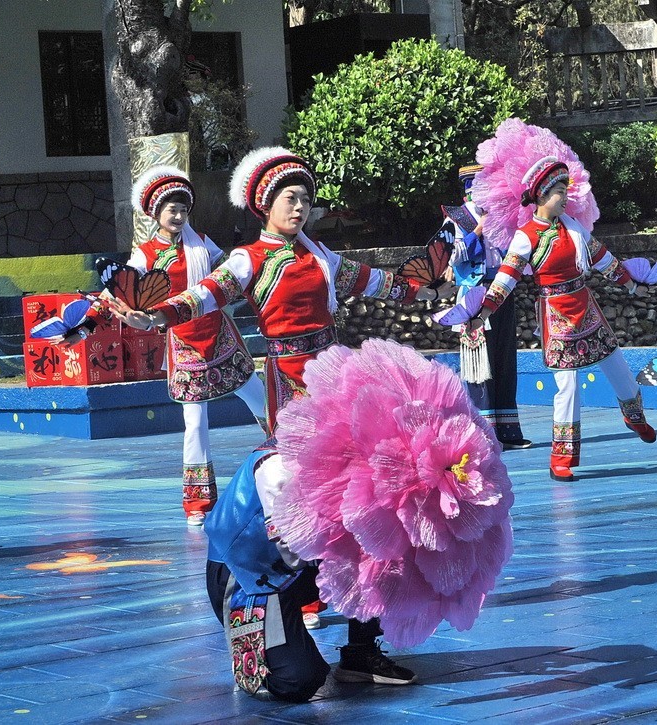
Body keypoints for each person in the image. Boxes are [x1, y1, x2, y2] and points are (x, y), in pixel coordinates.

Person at [112, 146, 447, 682]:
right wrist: (156, 315)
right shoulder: (249, 258)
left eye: (307, 199)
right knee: (305, 501)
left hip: (339, 380)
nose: (300, 207)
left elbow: (371, 280)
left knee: (369, 502)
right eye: (290, 198)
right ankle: (303, 599)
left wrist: (425, 288)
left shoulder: (319, 255)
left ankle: (361, 642)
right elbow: (203, 296)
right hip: (290, 388)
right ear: (264, 204)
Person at [59, 165, 266, 526]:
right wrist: (84, 327)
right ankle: (198, 505)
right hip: (184, 342)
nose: (179, 215)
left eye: (183, 209)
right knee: (196, 423)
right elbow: (114, 294)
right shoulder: (145, 255)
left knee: (261, 398)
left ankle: (295, 460)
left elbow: (231, 277)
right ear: (155, 213)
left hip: (220, 336)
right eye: (171, 209)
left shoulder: (202, 242)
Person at [468, 156, 656, 483]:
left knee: (620, 371)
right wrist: (483, 310)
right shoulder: (526, 236)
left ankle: (634, 416)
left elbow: (602, 258)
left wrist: (631, 285)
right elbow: (506, 278)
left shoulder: (574, 227)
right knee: (567, 387)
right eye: (558, 191)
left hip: (586, 307)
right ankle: (561, 458)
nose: (565, 197)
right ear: (540, 196)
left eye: (565, 190)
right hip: (556, 316)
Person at [204, 439, 415, 702]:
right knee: (297, 681)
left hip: (294, 568)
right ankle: (256, 659)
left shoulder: (344, 454)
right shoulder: (276, 465)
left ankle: (360, 653)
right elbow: (291, 551)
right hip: (248, 574)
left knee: (379, 552)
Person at [442, 163, 530, 450]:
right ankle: (484, 433)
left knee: (505, 358)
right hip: (473, 297)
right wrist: (478, 231)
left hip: (502, 291)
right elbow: (449, 256)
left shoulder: (503, 217)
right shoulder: (456, 219)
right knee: (479, 364)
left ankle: (508, 431)